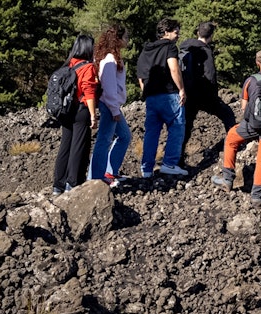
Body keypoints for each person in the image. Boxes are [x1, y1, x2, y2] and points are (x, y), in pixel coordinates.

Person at [212, 49, 261, 208]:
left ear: (257, 62)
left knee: (231, 140)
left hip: (251, 125)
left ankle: (227, 180)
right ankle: (257, 198)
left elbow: (243, 108)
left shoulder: (250, 81)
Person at [136, 17, 187, 177]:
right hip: (168, 94)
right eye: (176, 32)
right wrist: (182, 89)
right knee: (177, 127)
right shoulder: (170, 47)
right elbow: (174, 68)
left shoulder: (146, 50)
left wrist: (146, 92)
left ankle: (146, 168)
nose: (178, 35)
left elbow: (141, 75)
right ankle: (170, 164)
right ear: (166, 32)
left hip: (151, 96)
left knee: (151, 132)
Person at [180, 22, 236, 160]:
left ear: (197, 33)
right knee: (227, 114)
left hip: (188, 93)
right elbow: (210, 75)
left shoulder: (185, 47)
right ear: (211, 36)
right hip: (203, 94)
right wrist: (213, 96)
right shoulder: (206, 50)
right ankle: (234, 145)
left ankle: (178, 158)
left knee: (186, 125)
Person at [53, 34, 98, 194]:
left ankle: (58, 184)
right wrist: (93, 115)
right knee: (78, 146)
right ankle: (73, 183)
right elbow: (89, 92)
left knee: (65, 146)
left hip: (66, 111)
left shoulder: (69, 65)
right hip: (81, 109)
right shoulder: (88, 67)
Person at [90, 23, 131, 185]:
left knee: (124, 136)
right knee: (104, 140)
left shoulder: (109, 57)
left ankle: (109, 172)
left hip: (111, 105)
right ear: (117, 39)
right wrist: (114, 110)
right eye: (125, 37)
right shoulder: (109, 59)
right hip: (109, 105)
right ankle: (96, 178)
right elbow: (109, 88)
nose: (128, 40)